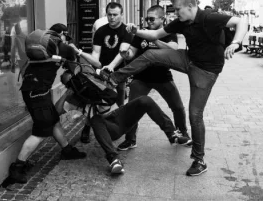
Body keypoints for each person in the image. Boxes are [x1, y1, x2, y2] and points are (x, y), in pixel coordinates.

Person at [104, 0, 248, 176]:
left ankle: (199, 160)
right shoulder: (181, 21)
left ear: (190, 6)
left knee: (195, 114)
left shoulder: (209, 17)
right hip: (188, 59)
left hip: (205, 72)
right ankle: (113, 78)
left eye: (178, 9)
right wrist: (136, 31)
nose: (176, 13)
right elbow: (155, 34)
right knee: (151, 55)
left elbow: (241, 21)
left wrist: (236, 43)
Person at [58, 71, 190, 174]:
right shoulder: (73, 98)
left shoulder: (94, 82)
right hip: (108, 127)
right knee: (95, 119)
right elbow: (57, 109)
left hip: (121, 116)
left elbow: (113, 84)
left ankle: (172, 134)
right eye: (71, 82)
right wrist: (66, 93)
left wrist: (100, 77)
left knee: (145, 100)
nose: (77, 82)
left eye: (76, 77)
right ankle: (114, 159)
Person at [7, 23, 87, 184]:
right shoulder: (64, 48)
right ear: (63, 35)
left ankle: (67, 150)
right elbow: (76, 68)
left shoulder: (43, 46)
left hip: (32, 90)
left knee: (53, 120)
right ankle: (17, 168)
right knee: (41, 132)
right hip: (38, 93)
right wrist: (72, 50)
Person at [117, 5, 191, 151]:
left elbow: (173, 50)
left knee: (177, 107)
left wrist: (154, 37)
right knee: (132, 108)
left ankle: (182, 133)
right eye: (147, 18)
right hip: (141, 77)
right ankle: (130, 140)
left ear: (162, 19)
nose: (148, 21)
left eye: (151, 19)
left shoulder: (169, 32)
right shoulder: (142, 33)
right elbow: (133, 52)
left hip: (163, 77)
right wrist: (127, 54)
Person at [79, 2, 134, 143]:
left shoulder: (126, 31)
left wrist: (111, 66)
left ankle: (115, 128)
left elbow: (122, 52)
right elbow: (96, 53)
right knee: (95, 100)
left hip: (120, 72)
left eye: (115, 14)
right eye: (109, 14)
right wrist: (95, 66)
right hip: (101, 72)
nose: (112, 17)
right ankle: (87, 126)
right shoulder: (100, 31)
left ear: (121, 15)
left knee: (118, 101)